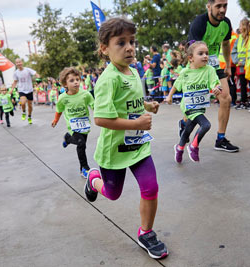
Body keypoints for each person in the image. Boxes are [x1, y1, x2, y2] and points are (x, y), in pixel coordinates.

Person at [84, 17, 168, 259]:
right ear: (104, 49)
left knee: (151, 187)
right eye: (121, 43)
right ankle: (93, 178)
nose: (130, 47)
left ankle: (146, 233)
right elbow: (100, 119)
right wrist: (136, 123)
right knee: (112, 194)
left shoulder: (132, 72)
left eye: (132, 41)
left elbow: (130, 102)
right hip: (115, 150)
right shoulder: (106, 80)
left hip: (138, 144)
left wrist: (147, 105)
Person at [188, 0, 239, 152]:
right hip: (197, 65)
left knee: (226, 98)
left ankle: (221, 139)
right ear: (209, 7)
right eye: (218, 6)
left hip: (215, 65)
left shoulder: (226, 23)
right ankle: (185, 125)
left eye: (225, 6)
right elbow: (192, 49)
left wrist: (228, 65)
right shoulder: (199, 23)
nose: (222, 10)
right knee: (196, 104)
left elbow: (225, 44)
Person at [166, 41, 222, 163]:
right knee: (206, 125)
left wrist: (217, 88)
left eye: (207, 53)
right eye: (201, 53)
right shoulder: (185, 72)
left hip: (200, 106)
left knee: (188, 129)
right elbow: (176, 85)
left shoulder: (209, 70)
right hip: (188, 105)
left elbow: (215, 83)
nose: (205, 56)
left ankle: (179, 148)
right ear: (191, 58)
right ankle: (193, 147)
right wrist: (169, 96)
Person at [51, 67, 94, 178]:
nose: (75, 82)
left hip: (85, 125)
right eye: (71, 80)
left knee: (82, 145)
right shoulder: (62, 98)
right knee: (81, 143)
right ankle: (84, 168)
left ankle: (68, 138)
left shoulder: (86, 94)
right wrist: (55, 120)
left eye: (77, 79)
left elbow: (94, 106)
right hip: (73, 126)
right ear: (65, 84)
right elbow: (59, 110)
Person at [11, 58, 40, 124]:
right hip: (22, 90)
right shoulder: (16, 73)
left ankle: (29, 116)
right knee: (23, 102)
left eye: (20, 62)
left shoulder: (27, 70)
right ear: (16, 64)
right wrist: (12, 89)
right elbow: (15, 82)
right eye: (17, 62)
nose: (19, 63)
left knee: (30, 105)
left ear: (22, 62)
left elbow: (36, 74)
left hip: (29, 90)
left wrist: (38, 77)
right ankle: (24, 112)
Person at [232, 18, 250, 109]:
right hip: (240, 65)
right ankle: (243, 101)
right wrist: (236, 61)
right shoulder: (239, 38)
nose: (239, 28)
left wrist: (244, 62)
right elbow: (234, 51)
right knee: (243, 83)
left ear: (244, 26)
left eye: (240, 25)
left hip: (249, 64)